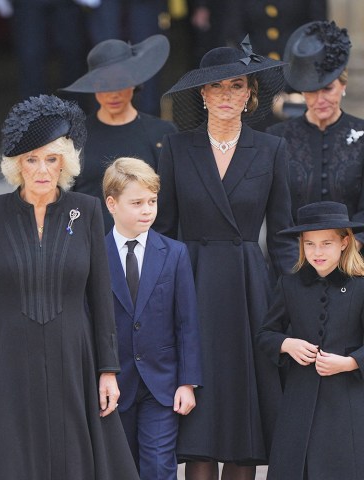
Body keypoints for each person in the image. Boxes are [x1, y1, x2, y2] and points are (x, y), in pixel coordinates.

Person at [153, 37, 297, 479]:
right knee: (201, 409)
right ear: (202, 94)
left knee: (242, 411)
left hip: (249, 288)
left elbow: (283, 235)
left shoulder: (272, 149)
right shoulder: (176, 149)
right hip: (192, 283)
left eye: (237, 86)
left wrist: (299, 298)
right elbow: (164, 229)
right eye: (217, 87)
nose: (227, 96)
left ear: (251, 94)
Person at [0, 94, 140, 480]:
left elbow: (100, 297)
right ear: (16, 164)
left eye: (51, 159)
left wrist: (107, 370)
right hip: (7, 354)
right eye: (31, 159)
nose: (41, 169)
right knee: (11, 454)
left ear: (65, 163)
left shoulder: (85, 211)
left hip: (74, 352)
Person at [103, 157, 203, 480]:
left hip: (162, 384)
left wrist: (187, 382)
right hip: (114, 384)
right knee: (120, 466)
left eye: (152, 201)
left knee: (160, 467)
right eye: (137, 203)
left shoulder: (174, 254)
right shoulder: (94, 255)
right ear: (112, 204)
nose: (147, 210)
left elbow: (186, 322)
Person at [257, 201, 364, 480]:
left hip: (347, 404)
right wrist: (286, 344)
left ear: (344, 242)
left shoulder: (361, 286)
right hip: (299, 402)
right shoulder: (289, 284)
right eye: (309, 244)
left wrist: (350, 362)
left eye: (326, 243)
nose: (317, 252)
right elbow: (266, 334)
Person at [61, 34, 177, 233]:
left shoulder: (162, 133)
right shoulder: (75, 134)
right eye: (104, 84)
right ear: (93, 85)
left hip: (146, 250)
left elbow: (171, 201)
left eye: (120, 82)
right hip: (88, 247)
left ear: (135, 81)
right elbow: (64, 198)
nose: (113, 93)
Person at [266, 20, 364, 251]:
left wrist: (349, 250)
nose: (319, 100)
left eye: (328, 89)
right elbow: (275, 215)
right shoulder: (276, 138)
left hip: (355, 264)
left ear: (343, 85)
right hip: (293, 266)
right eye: (311, 91)